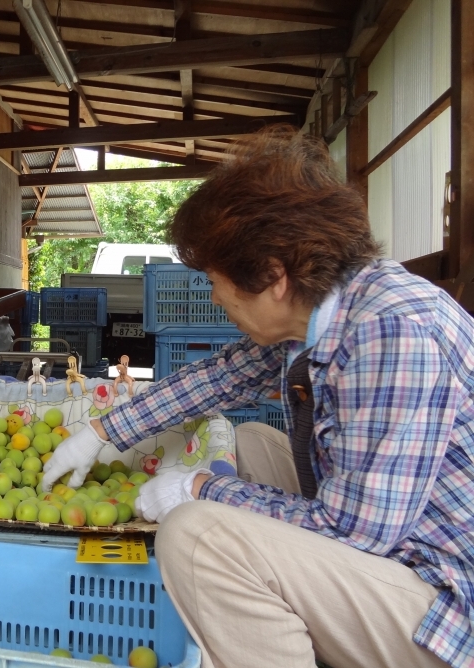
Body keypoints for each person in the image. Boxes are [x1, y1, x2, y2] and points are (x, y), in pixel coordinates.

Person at [42, 127, 474, 668]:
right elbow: (224, 377)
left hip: (448, 602)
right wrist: (100, 433)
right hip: (408, 545)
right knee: (253, 441)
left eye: (215, 281)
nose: (215, 296)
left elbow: (357, 534)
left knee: (198, 536)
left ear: (273, 275)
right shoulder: (334, 304)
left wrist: (201, 489)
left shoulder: (392, 332)